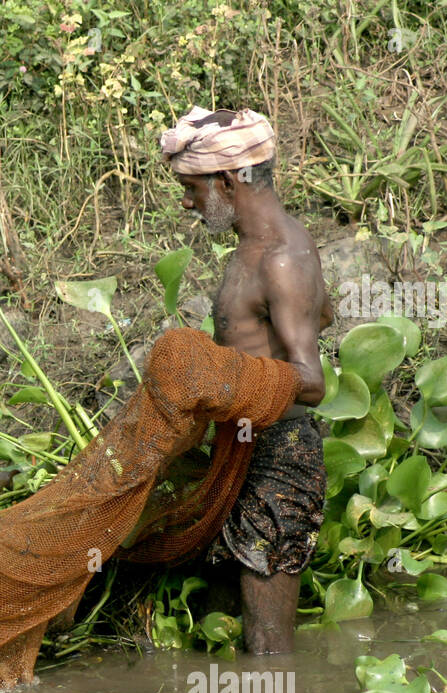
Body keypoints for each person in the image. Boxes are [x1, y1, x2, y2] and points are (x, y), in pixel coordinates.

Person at [159, 107, 332, 654]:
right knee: (227, 622)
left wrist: (216, 375)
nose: (186, 204)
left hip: (280, 457)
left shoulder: (282, 260)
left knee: (268, 647)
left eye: (191, 188)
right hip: (238, 448)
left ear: (229, 181)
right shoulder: (249, 250)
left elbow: (311, 381)